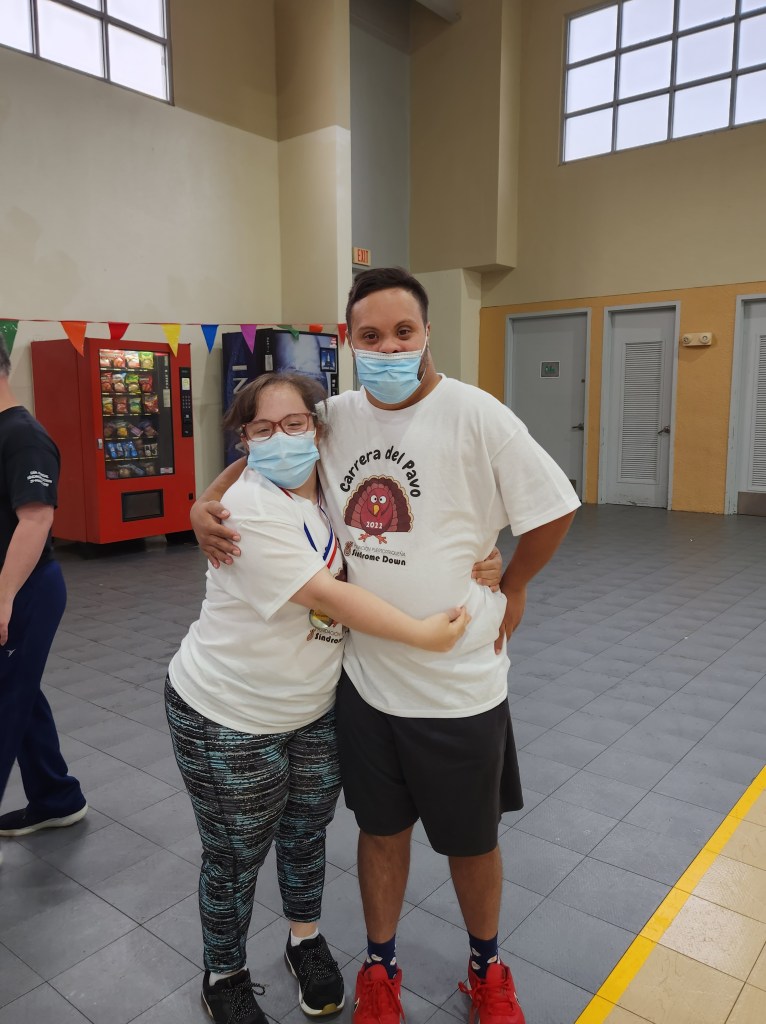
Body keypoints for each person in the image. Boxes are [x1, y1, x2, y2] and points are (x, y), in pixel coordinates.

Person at [193, 268, 580, 1024]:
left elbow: (553, 507)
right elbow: (265, 450)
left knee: (472, 841)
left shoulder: (476, 415)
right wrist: (203, 503)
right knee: (380, 832)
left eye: (404, 332)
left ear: (427, 333)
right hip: (364, 680)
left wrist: (516, 584)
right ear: (350, 341)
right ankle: (380, 966)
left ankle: (487, 967)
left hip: (459, 682)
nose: (390, 347)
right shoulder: (335, 416)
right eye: (371, 336)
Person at [167, 371, 472, 1024]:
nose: (280, 438)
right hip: (228, 712)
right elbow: (328, 596)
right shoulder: (250, 511)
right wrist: (422, 634)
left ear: (317, 428)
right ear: (245, 440)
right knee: (235, 856)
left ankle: (304, 941)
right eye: (261, 429)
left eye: (294, 424)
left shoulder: (331, 482)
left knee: (305, 835)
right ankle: (224, 974)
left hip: (312, 707)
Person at [0, 339, 87, 864]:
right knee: (20, 691)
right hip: (12, 586)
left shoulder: (23, 436)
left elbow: (35, 520)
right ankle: (57, 797)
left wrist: (5, 595)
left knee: (5, 699)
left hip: (26, 588)